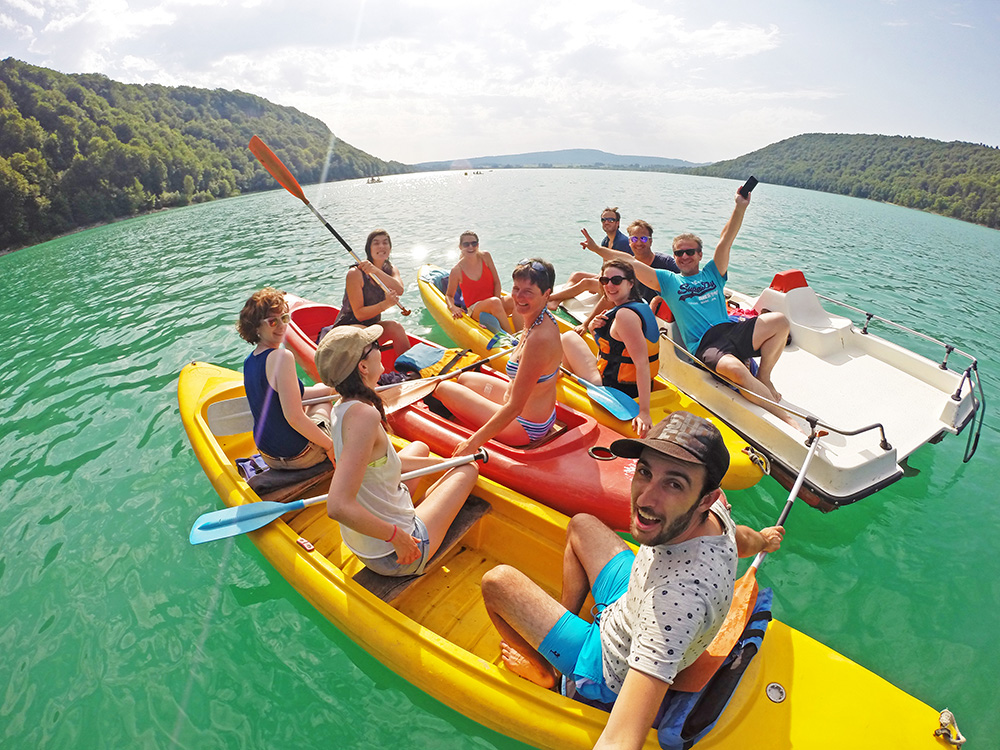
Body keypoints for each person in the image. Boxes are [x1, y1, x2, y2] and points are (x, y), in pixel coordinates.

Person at [480, 412, 785, 750]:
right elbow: (740, 540)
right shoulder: (716, 515)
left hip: (609, 664)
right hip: (631, 600)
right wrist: (764, 539)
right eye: (644, 472)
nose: (645, 498)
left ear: (705, 499)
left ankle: (545, 670)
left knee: (496, 582)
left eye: (674, 484)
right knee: (582, 525)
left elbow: (622, 737)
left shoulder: (674, 605)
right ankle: (558, 634)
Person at [582, 190, 796, 427]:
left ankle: (764, 377)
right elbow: (630, 262)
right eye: (678, 253)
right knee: (736, 371)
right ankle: (785, 418)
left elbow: (727, 240)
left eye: (690, 251)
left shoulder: (713, 273)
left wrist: (740, 207)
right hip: (706, 343)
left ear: (699, 254)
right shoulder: (669, 281)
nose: (684, 256)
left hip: (731, 329)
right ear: (674, 257)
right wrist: (597, 250)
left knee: (780, 321)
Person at [316, 325, 480, 577]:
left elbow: (385, 464)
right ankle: (416, 520)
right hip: (395, 554)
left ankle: (422, 504)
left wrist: (447, 464)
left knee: (420, 448)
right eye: (374, 346)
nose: (380, 349)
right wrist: (396, 537)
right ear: (362, 366)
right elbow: (337, 505)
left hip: (367, 544)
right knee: (469, 469)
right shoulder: (364, 416)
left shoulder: (343, 405)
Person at [435, 258, 562, 451]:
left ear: (546, 294)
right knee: (465, 379)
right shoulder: (539, 319)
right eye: (516, 289)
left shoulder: (539, 339)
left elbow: (515, 407)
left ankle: (471, 431)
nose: (519, 297)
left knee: (443, 389)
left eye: (528, 291)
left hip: (525, 425)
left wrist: (472, 443)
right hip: (534, 410)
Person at [237, 287, 337, 470]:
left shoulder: (249, 361)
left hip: (269, 456)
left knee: (321, 391)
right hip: (300, 457)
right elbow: (294, 418)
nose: (282, 326)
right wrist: (329, 446)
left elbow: (289, 396)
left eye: (284, 318)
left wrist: (333, 389)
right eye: (272, 322)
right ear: (257, 327)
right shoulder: (282, 357)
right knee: (325, 405)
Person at [560, 259, 657, 438]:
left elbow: (642, 364)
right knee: (571, 338)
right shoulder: (640, 305)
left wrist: (644, 412)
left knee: (567, 337)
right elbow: (613, 349)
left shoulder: (625, 315)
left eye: (616, 280)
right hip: (629, 384)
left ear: (630, 283)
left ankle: (562, 379)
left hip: (615, 389)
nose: (609, 285)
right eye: (605, 281)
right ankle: (565, 377)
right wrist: (593, 328)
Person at [332, 228, 410, 357]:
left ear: (390, 247)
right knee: (367, 340)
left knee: (396, 327)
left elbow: (399, 290)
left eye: (385, 242)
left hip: (372, 327)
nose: (381, 246)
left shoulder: (391, 269)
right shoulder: (355, 273)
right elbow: (359, 314)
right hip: (349, 328)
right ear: (369, 249)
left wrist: (376, 271)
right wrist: (386, 304)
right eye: (376, 243)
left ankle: (410, 370)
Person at [549, 207, 633, 310]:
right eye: (603, 219)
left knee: (586, 282)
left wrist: (596, 281)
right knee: (576, 275)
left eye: (611, 220)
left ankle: (549, 298)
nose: (607, 222)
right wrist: (597, 278)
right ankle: (558, 300)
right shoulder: (605, 242)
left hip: (619, 283)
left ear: (617, 223)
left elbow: (619, 273)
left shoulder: (622, 242)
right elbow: (605, 269)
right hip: (610, 277)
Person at [444, 231, 523, 335]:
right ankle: (512, 339)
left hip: (494, 302)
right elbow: (449, 295)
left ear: (478, 244)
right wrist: (453, 307)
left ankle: (521, 334)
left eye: (474, 243)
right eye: (466, 244)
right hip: (475, 309)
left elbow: (496, 282)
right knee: (494, 302)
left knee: (515, 298)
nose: (470, 247)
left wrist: (498, 302)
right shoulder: (457, 270)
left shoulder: (486, 256)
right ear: (460, 247)